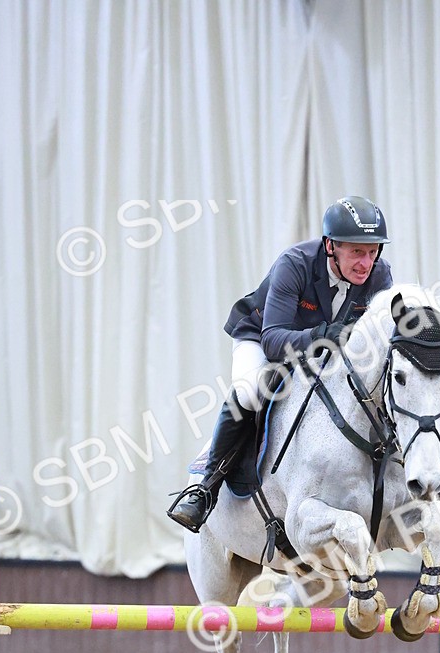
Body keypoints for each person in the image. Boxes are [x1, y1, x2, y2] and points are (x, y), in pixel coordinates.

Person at [168, 195, 392, 532]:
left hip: (324, 349)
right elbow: (273, 341)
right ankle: (205, 487)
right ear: (331, 246)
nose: (366, 263)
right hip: (261, 337)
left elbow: (384, 340)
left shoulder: (379, 276)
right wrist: (321, 336)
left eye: (373, 252)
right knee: (251, 389)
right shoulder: (295, 263)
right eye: (357, 252)